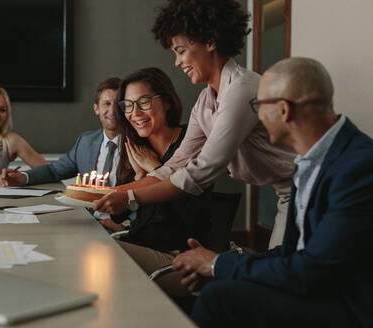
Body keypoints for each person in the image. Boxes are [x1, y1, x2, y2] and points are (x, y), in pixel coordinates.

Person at [173, 57, 373, 327]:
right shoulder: (307, 161)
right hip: (315, 290)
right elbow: (290, 253)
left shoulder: (358, 166)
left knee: (218, 299)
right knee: (220, 291)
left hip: (348, 307)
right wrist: (220, 266)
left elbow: (315, 271)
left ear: (283, 110)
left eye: (258, 105)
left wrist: (219, 265)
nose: (255, 114)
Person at [94, 0, 296, 248]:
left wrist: (130, 198)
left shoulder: (242, 90)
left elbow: (200, 172)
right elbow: (175, 166)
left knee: (285, 274)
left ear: (210, 41)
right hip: (287, 192)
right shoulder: (205, 101)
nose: (177, 62)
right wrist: (108, 194)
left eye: (180, 51)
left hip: (311, 185)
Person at [107, 67, 212, 298]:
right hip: (143, 244)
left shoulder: (190, 140)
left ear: (166, 102)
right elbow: (119, 214)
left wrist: (156, 169)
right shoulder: (134, 146)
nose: (135, 113)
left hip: (178, 255)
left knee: (102, 255)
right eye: (127, 105)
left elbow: (188, 208)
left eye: (144, 102)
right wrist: (139, 178)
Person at [0, 77, 122, 222]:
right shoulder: (86, 142)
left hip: (122, 227)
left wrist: (128, 227)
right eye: (106, 104)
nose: (112, 109)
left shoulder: (139, 145)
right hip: (89, 222)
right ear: (96, 108)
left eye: (118, 103)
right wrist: (23, 178)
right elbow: (54, 170)